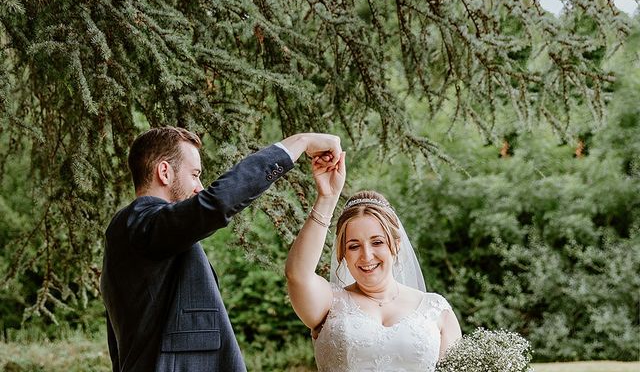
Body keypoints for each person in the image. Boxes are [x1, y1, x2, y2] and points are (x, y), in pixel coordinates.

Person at [100, 126, 342, 372]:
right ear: (164, 172)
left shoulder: (131, 235)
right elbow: (215, 204)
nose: (200, 187)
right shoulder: (140, 224)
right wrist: (301, 142)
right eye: (195, 174)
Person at [285, 153, 462, 372]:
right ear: (342, 254)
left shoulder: (437, 310)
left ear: (396, 245)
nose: (367, 256)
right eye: (353, 246)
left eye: (377, 242)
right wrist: (327, 197)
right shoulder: (329, 303)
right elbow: (297, 275)